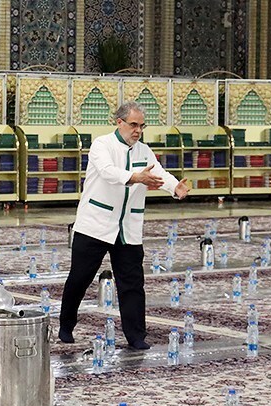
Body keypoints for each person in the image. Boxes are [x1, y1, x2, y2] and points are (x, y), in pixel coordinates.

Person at [58, 101, 189, 349]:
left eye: (142, 126)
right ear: (119, 122)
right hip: (95, 224)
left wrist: (175, 187)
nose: (138, 130)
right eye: (133, 125)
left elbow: (158, 173)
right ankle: (66, 326)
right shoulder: (102, 145)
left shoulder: (144, 151)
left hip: (127, 228)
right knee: (79, 279)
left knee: (132, 283)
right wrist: (135, 177)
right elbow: (108, 172)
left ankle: (136, 336)